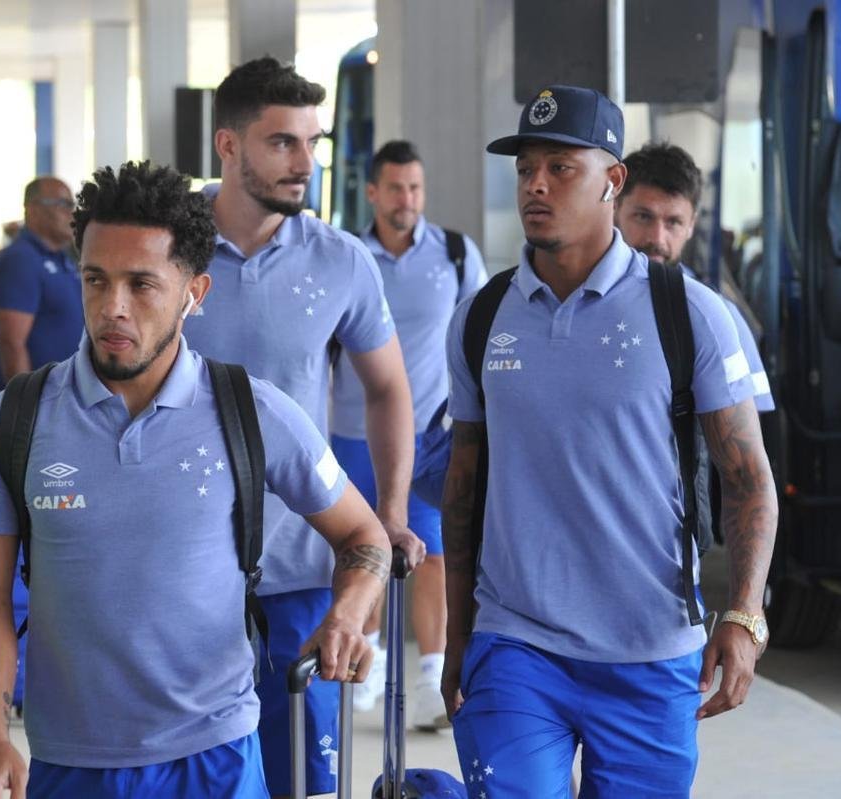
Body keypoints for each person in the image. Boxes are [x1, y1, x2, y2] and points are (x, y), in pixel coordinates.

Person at [0, 161, 390, 799]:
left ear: (194, 292)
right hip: (68, 762)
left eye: (142, 284)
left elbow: (363, 535)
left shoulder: (252, 411)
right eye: (96, 280)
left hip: (214, 759)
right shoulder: (18, 416)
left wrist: (348, 614)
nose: (113, 308)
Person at [439, 85, 778, 796]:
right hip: (516, 644)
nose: (536, 184)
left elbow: (749, 481)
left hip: (652, 650)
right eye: (526, 168)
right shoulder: (481, 317)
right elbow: (463, 487)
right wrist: (457, 633)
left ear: (612, 180)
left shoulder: (689, 313)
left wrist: (745, 614)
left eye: (560, 167)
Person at [182, 57, 422, 797]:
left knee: (301, 781)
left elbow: (388, 388)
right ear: (228, 145)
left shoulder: (340, 260)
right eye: (283, 141)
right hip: (179, 570)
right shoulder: (165, 246)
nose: (305, 162)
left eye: (312, 142)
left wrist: (389, 515)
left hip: (299, 571)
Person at [330, 140, 488, 727]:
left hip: (428, 438)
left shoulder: (454, 254)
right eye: (396, 188)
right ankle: (366, 660)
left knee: (434, 556)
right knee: (360, 547)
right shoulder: (347, 256)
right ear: (373, 193)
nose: (407, 199)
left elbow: (480, 331)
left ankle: (430, 676)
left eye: (416, 188)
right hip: (350, 434)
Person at [615, 141, 775, 411]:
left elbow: (753, 428)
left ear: (691, 225)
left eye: (673, 222)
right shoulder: (575, 299)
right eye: (643, 217)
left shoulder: (715, 313)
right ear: (615, 209)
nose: (657, 238)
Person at [0, 176, 84, 391]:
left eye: (73, 204)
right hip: (38, 401)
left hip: (64, 397)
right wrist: (25, 402)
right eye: (64, 204)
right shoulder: (20, 259)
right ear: (33, 209)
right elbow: (11, 344)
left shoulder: (63, 259)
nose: (73, 212)